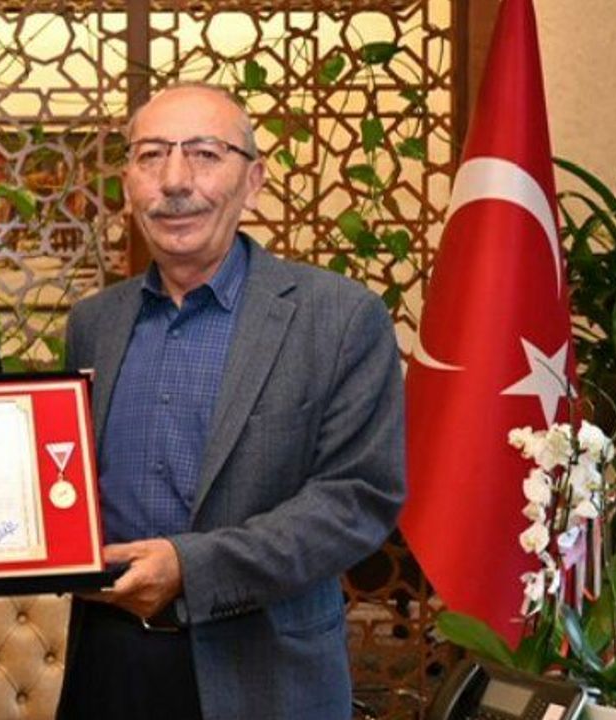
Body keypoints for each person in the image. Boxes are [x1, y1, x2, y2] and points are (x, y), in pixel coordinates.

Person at [56, 83, 406, 719]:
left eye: (205, 154)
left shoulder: (339, 318)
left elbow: (356, 499)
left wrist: (190, 569)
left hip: (265, 674)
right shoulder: (94, 323)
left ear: (253, 182)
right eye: (151, 155)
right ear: (128, 183)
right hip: (109, 665)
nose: (175, 181)